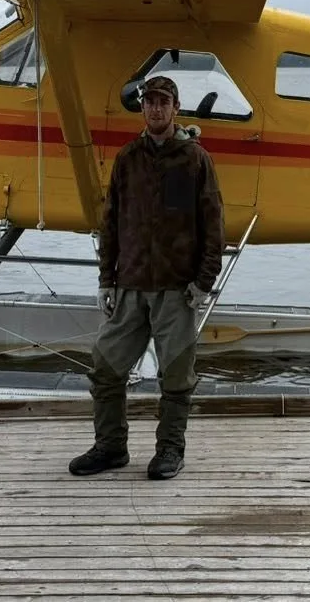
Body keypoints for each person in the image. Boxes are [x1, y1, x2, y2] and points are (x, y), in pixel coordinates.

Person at [68, 74, 225, 480]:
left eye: (164, 102)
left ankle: (170, 450)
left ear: (175, 109)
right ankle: (110, 447)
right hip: (130, 286)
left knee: (175, 377)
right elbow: (111, 223)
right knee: (104, 369)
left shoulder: (195, 159)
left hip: (177, 290)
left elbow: (213, 225)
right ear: (143, 108)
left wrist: (203, 282)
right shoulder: (127, 158)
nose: (156, 108)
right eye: (150, 102)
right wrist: (106, 279)